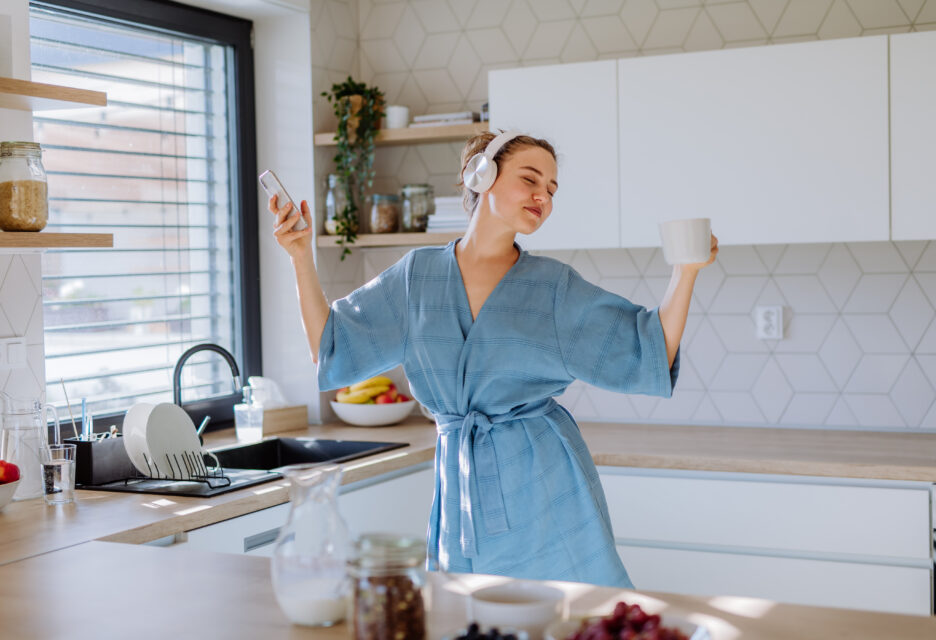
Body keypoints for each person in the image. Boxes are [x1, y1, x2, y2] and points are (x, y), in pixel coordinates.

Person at [269, 130, 719, 588]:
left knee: (566, 615)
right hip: (460, 480)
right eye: (530, 179)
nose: (543, 195)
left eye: (552, 189)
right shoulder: (415, 278)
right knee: (467, 614)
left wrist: (686, 271)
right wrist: (301, 257)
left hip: (543, 478)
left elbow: (645, 348)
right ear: (481, 176)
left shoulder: (553, 287)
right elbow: (331, 345)